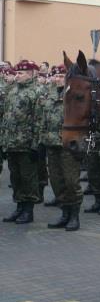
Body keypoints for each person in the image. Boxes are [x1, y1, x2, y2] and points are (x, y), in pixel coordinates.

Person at [39, 65, 83, 231]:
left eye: (60, 76)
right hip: (52, 144)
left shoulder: (73, 97)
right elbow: (43, 118)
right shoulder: (49, 95)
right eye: (55, 76)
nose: (57, 79)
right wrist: (41, 141)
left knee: (71, 182)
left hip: (68, 145)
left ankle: (74, 215)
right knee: (57, 182)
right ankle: (64, 213)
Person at [1, 60, 41, 224]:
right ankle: (19, 207)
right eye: (16, 73)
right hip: (11, 143)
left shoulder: (36, 92)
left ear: (31, 74)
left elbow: (38, 121)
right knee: (15, 178)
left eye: (21, 73)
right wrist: (3, 141)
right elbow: (6, 119)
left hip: (26, 144)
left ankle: (28, 210)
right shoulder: (12, 91)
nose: (17, 76)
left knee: (28, 178)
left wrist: (35, 145)